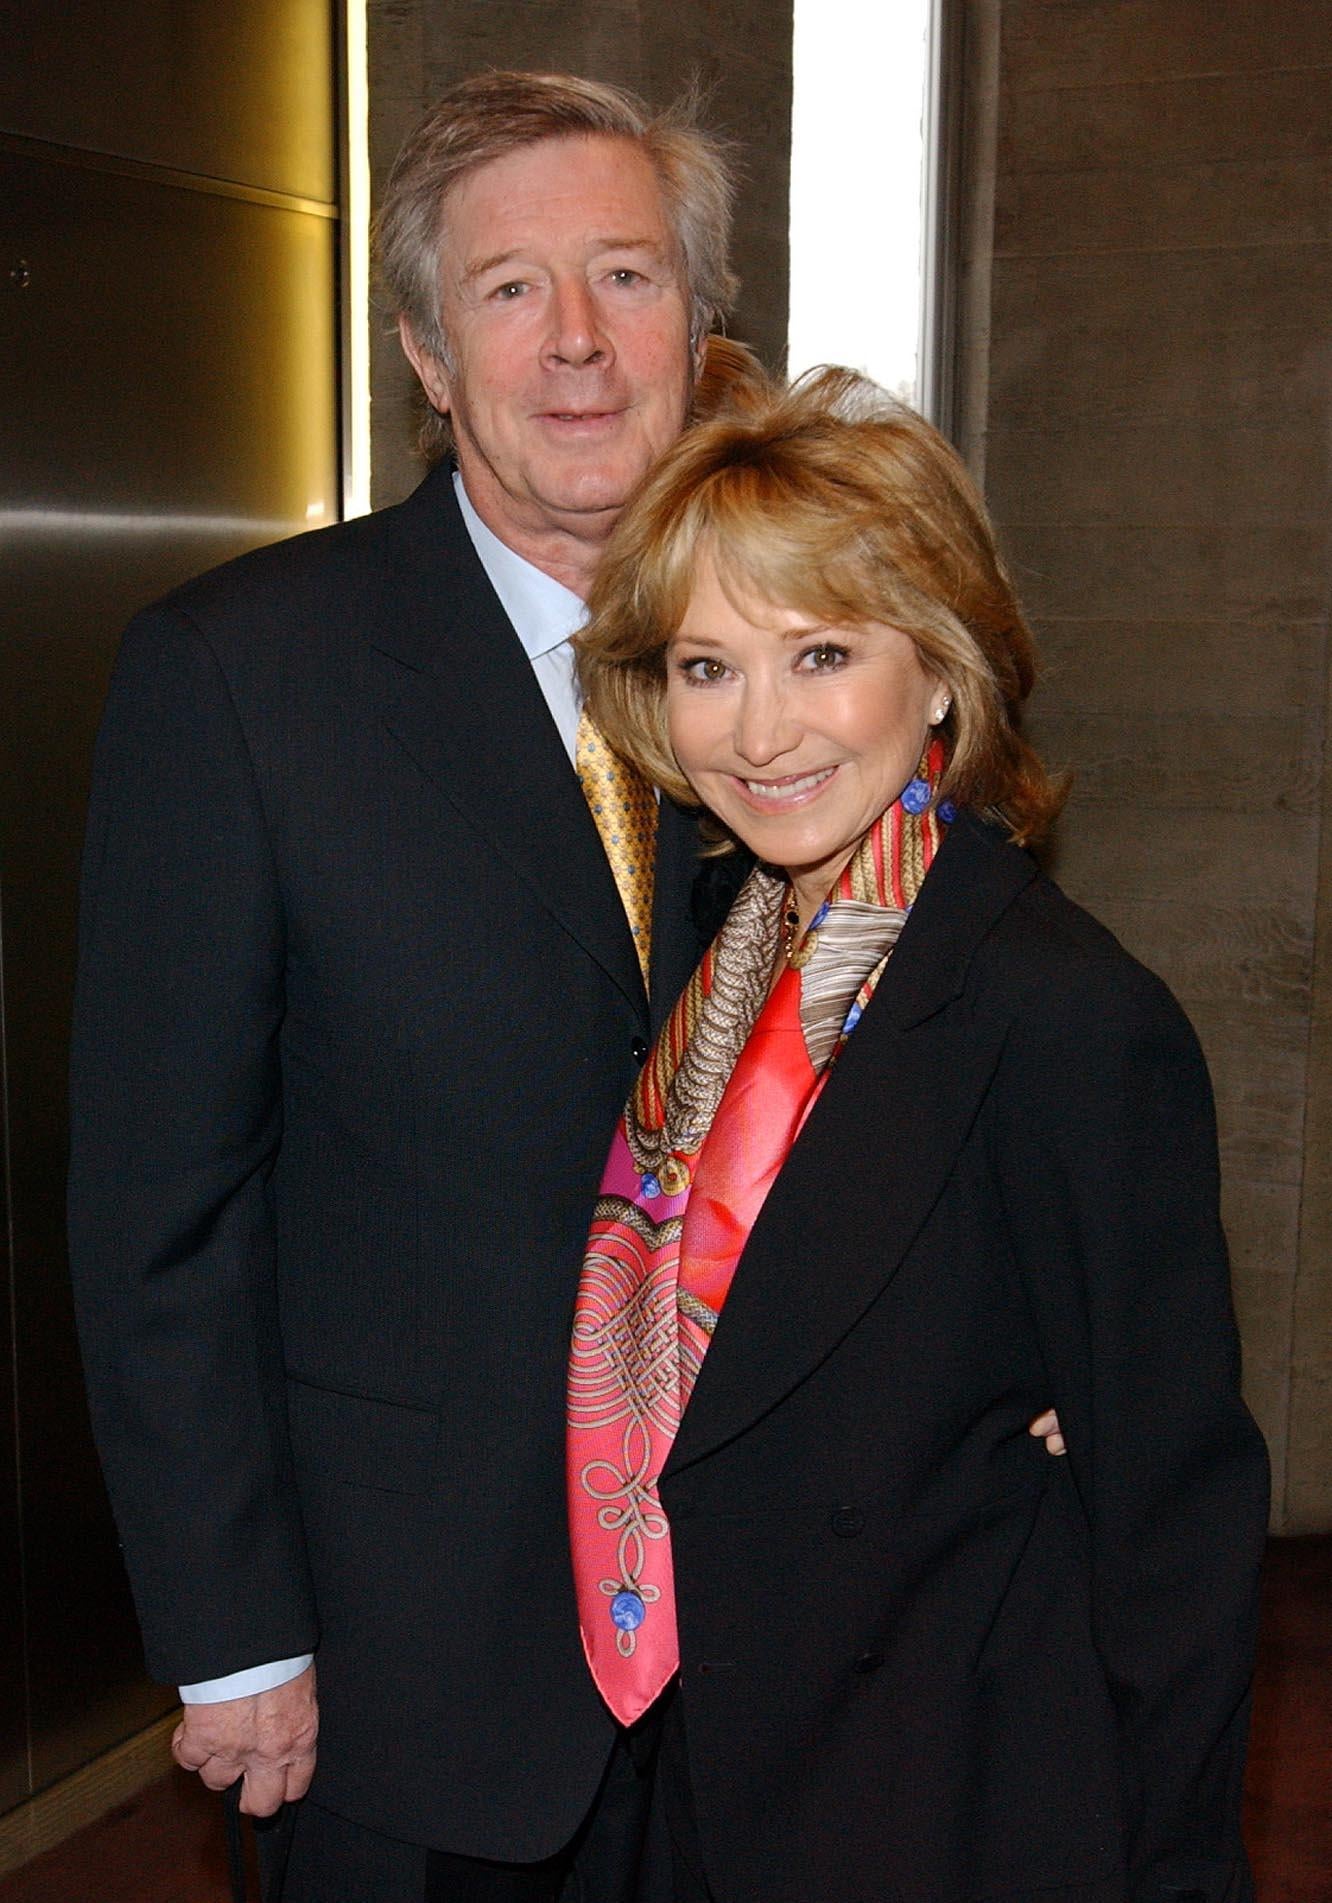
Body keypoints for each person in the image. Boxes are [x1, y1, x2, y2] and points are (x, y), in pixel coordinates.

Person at [67, 70, 748, 1903]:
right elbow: (159, 1213)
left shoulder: (804, 665)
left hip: (767, 1653)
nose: (582, 342)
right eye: (513, 290)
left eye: (628, 275)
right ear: (429, 359)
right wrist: (233, 1631)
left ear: (702, 325)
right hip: (406, 1676)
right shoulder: (241, 680)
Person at [567, 367, 1269, 1903]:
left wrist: (1181, 1871)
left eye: (821, 654)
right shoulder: (722, 963)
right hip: (707, 1769)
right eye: (706, 666)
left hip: (950, 1795)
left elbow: (1177, 1523)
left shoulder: (1063, 1014)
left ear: (941, 673)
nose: (760, 731)